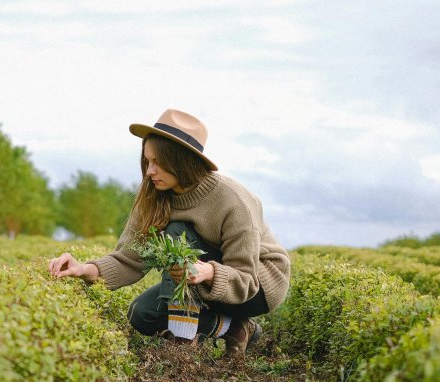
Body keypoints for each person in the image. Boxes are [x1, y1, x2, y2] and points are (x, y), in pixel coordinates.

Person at [48, 108, 290, 357]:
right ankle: (236, 328)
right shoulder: (153, 195)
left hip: (257, 285)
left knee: (176, 232)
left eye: (158, 163)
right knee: (142, 313)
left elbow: (246, 281)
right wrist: (83, 269)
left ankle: (181, 346)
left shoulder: (233, 201)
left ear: (181, 161)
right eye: (147, 161)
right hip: (206, 280)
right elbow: (129, 259)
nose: (150, 171)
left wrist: (208, 271)